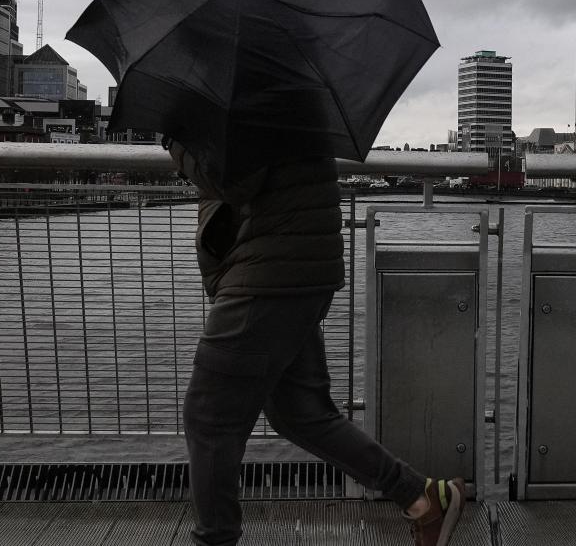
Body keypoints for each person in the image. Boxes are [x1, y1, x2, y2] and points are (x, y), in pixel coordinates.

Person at [166, 136, 466, 546]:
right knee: (301, 413)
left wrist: (179, 143)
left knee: (209, 418)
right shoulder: (290, 89)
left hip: (266, 276)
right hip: (297, 270)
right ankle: (423, 497)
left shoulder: (251, 92)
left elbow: (235, 180)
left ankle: (214, 540)